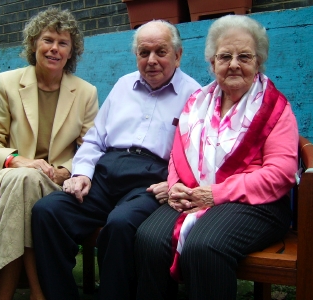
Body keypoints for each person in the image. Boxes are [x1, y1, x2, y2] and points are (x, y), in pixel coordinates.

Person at [31, 20, 202, 300]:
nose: (152, 60)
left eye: (161, 52)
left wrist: (175, 181)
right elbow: (95, 138)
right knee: (47, 212)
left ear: (178, 55)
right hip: (106, 172)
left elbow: (197, 154)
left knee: (121, 224)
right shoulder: (124, 85)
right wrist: (83, 174)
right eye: (143, 53)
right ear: (136, 56)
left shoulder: (195, 96)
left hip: (150, 181)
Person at [135, 14, 299, 300]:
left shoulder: (275, 107)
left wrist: (216, 193)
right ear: (212, 63)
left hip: (256, 203)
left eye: (244, 56)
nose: (234, 64)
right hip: (196, 194)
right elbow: (178, 155)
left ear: (258, 62)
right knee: (148, 237)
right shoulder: (196, 103)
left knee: (205, 246)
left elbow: (281, 173)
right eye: (225, 56)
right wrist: (175, 186)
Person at [0, 7, 98, 300]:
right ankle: (38, 290)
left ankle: (5, 293)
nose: (54, 48)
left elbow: (91, 147)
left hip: (56, 183)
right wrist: (17, 160)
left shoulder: (85, 93)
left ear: (71, 52)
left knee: (29, 183)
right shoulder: (7, 83)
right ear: (34, 44)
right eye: (48, 40)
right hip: (10, 178)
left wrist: (66, 171)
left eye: (63, 43)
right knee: (26, 179)